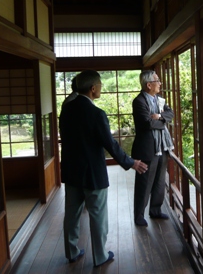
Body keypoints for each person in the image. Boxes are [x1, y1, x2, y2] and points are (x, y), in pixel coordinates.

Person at [59, 70, 148, 266]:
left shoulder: (66, 109)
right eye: (99, 85)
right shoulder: (96, 113)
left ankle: (71, 252)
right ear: (93, 89)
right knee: (98, 216)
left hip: (71, 171)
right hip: (93, 173)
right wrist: (130, 162)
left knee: (71, 215)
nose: (101, 88)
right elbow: (110, 144)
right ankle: (99, 256)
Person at [131, 70, 174, 227]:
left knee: (159, 181)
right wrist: (162, 121)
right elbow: (146, 124)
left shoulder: (159, 100)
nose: (160, 83)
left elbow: (171, 113)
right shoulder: (139, 101)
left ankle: (155, 210)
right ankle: (139, 215)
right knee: (144, 183)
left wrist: (159, 117)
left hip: (162, 146)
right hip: (147, 148)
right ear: (149, 85)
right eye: (157, 80)